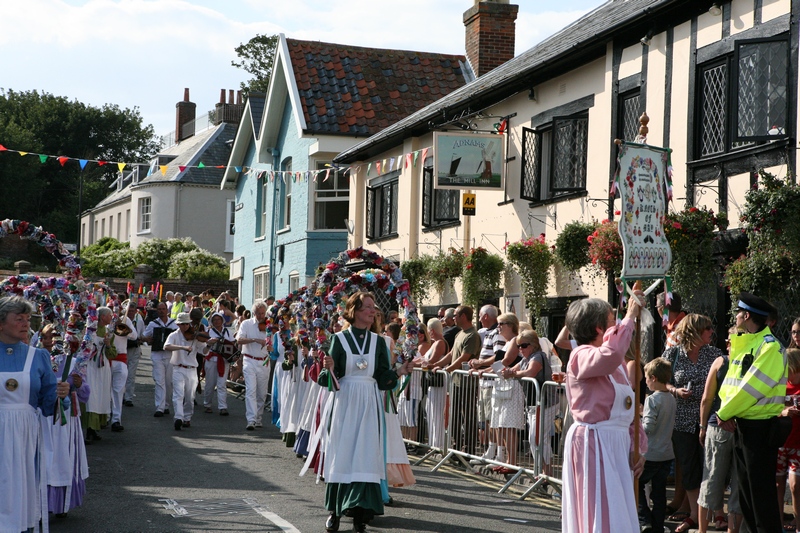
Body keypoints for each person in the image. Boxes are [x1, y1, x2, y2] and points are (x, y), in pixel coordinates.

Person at [317, 292, 413, 533]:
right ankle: (335, 512)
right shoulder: (338, 339)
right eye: (368, 307)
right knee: (343, 453)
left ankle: (361, 514)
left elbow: (382, 378)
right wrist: (329, 368)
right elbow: (327, 378)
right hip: (346, 401)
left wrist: (400, 371)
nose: (373, 311)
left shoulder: (378, 342)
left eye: (374, 308)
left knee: (366, 455)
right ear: (355, 311)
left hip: (370, 401)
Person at [561, 292, 647, 533]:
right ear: (599, 328)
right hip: (594, 444)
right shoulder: (581, 356)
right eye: (613, 321)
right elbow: (610, 355)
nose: (617, 325)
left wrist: (638, 447)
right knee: (600, 511)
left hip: (616, 446)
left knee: (619, 512)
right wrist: (630, 316)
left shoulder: (618, 366)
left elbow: (628, 410)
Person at [717, 292, 788, 533]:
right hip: (743, 425)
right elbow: (731, 384)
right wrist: (726, 413)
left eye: (738, 313)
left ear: (746, 315)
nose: (735, 317)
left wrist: (724, 413)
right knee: (746, 494)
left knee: (761, 497)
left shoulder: (770, 347)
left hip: (759, 429)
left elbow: (751, 389)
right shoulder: (749, 342)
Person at [0, 296, 70, 532]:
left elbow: (49, 404)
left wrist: (62, 394)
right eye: (18, 319)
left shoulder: (38, 356)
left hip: (24, 435)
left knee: (19, 484)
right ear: (1, 323)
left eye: (27, 319)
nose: (25, 324)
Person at [661, 314, 722, 533]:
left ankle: (716, 512)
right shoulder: (673, 353)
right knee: (688, 467)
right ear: (694, 331)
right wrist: (675, 390)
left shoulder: (714, 354)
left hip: (710, 418)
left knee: (711, 467)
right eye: (707, 328)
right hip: (682, 420)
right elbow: (660, 381)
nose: (711, 332)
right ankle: (695, 516)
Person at [41, 324, 90, 518]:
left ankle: (61, 502)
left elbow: (85, 394)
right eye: (47, 336)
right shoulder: (34, 358)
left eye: (55, 337)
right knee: (44, 459)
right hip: (43, 418)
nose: (51, 341)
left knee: (62, 459)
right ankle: (40, 501)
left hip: (65, 420)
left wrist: (77, 384)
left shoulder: (72, 362)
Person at [697, 326, 742, 533]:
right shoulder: (754, 364)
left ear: (728, 342)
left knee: (711, 481)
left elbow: (707, 398)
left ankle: (702, 530)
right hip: (744, 428)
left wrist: (702, 426)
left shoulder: (720, 362)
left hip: (718, 427)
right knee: (738, 486)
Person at [496, 328, 551, 474]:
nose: (520, 349)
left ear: (533, 345)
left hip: (546, 403)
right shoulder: (526, 359)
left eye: (524, 345)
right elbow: (512, 370)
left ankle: (547, 472)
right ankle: (543, 471)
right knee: (535, 439)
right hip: (534, 403)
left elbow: (530, 372)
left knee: (537, 438)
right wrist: (507, 372)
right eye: (518, 346)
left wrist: (512, 374)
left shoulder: (538, 357)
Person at [433, 305, 481, 455]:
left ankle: (468, 449)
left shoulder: (472, 335)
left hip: (467, 383)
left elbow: (464, 358)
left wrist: (447, 370)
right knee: (454, 415)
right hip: (456, 381)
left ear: (463, 316)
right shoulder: (459, 334)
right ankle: (456, 446)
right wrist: (436, 365)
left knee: (468, 416)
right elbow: (452, 354)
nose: (453, 318)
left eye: (455, 315)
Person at [639, 357, 677, 533]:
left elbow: (648, 427)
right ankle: (657, 524)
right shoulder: (671, 399)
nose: (645, 382)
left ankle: (645, 519)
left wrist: (639, 417)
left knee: (637, 483)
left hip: (651, 453)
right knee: (659, 492)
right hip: (666, 453)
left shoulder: (652, 400)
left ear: (653, 378)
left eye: (646, 378)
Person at [469, 305, 505, 462]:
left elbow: (498, 356)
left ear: (485, 316)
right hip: (485, 382)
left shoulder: (496, 333)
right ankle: (492, 450)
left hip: (491, 383)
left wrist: (480, 363)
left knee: (492, 419)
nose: (478, 319)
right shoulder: (489, 332)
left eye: (479, 315)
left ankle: (497, 452)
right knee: (487, 419)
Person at [163, 312, 208, 431]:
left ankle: (187, 417)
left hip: (192, 369)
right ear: (178, 324)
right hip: (178, 368)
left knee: (190, 396)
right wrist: (182, 347)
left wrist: (209, 345)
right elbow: (166, 347)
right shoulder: (174, 335)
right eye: (182, 324)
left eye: (187, 324)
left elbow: (204, 351)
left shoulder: (195, 337)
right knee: (178, 394)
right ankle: (178, 417)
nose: (185, 327)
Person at [236, 299, 271, 431]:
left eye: (263, 313)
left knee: (262, 393)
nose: (261, 316)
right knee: (250, 390)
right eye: (259, 313)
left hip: (264, 361)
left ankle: (258, 418)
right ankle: (251, 419)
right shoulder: (246, 324)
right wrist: (255, 340)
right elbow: (239, 339)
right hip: (249, 360)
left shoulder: (269, 325)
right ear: (254, 313)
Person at [776, 348, 800, 533]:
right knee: (777, 483)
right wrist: (783, 411)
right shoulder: (779, 385)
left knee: (795, 485)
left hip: (798, 444)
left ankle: (798, 523)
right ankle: (777, 523)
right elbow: (768, 409)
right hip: (781, 443)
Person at [84, 306, 114, 443]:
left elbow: (112, 354)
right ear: (102, 317)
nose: (111, 317)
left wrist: (108, 345)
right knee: (92, 397)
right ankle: (89, 429)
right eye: (109, 315)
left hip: (103, 368)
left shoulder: (109, 332)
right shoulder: (90, 329)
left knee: (101, 396)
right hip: (91, 366)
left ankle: (95, 428)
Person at [142, 302, 177, 417]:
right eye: (159, 309)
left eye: (163, 309)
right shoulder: (153, 324)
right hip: (157, 355)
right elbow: (144, 336)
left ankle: (166, 404)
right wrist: (149, 340)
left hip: (170, 355)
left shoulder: (174, 324)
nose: (162, 311)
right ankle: (159, 407)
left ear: (167, 310)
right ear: (157, 311)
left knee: (169, 382)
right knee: (159, 381)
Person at [109, 305, 138, 432]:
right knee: (105, 390)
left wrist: (124, 325)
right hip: (106, 360)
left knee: (118, 390)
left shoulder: (126, 320)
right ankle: (104, 417)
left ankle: (116, 419)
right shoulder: (104, 321)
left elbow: (134, 336)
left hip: (120, 360)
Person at [423, 318, 449, 451]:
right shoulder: (434, 343)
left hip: (439, 382)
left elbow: (431, 361)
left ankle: (438, 444)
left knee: (437, 413)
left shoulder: (440, 343)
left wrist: (417, 363)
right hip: (432, 383)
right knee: (431, 411)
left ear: (431, 330)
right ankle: (433, 443)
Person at [203, 312, 233, 415]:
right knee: (210, 384)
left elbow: (233, 344)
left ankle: (223, 407)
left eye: (218, 319)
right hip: (211, 359)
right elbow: (203, 351)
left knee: (221, 384)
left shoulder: (227, 332)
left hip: (224, 360)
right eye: (214, 320)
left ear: (222, 320)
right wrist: (209, 343)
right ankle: (207, 404)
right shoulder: (208, 332)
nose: (216, 321)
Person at [123, 301, 145, 407]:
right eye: (129, 311)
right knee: (123, 373)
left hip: (134, 349)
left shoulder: (139, 320)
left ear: (136, 311)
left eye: (132, 311)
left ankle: (128, 397)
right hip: (123, 349)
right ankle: (121, 395)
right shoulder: (123, 320)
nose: (130, 313)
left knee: (131, 374)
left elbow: (142, 334)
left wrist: (140, 340)